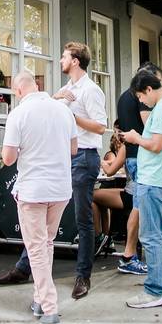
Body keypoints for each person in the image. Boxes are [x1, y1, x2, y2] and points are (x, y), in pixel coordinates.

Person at [1, 71, 78, 324]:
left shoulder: (18, 115)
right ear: (37, 85)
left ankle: (49, 307)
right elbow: (73, 149)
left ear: (18, 90)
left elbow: (8, 158)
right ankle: (38, 298)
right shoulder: (63, 111)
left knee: (35, 247)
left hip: (33, 189)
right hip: (60, 189)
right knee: (46, 244)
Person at [122, 70, 162, 308]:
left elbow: (156, 145)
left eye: (140, 96)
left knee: (150, 237)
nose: (141, 102)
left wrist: (136, 138)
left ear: (148, 89)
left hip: (154, 181)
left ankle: (155, 290)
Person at [53, 42, 107, 300]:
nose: (60, 60)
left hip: (85, 156)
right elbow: (52, 108)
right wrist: (56, 99)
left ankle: (83, 276)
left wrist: (71, 118)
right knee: (43, 211)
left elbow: (100, 126)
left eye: (64, 56)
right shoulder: (67, 89)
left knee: (82, 219)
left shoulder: (91, 90)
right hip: (63, 156)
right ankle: (23, 267)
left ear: (75, 61)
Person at [114, 62, 162, 275]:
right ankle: (129, 256)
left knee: (140, 205)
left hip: (131, 156)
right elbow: (150, 124)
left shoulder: (124, 96)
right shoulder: (140, 96)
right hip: (141, 156)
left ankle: (141, 252)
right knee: (140, 206)